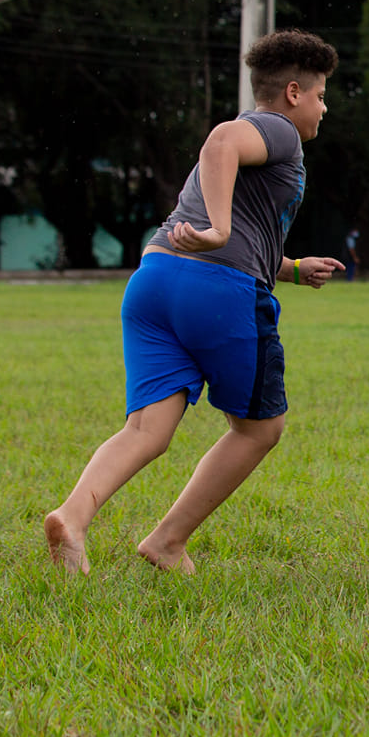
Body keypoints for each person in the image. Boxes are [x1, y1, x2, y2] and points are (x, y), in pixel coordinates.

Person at [41, 30, 345, 576]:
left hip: (156, 279)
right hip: (217, 293)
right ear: (294, 92)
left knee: (146, 430)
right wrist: (219, 228)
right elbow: (222, 142)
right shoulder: (276, 129)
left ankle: (73, 516)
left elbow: (240, 237)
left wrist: (293, 269)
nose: (324, 108)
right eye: (322, 96)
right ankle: (167, 541)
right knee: (259, 429)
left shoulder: (261, 147)